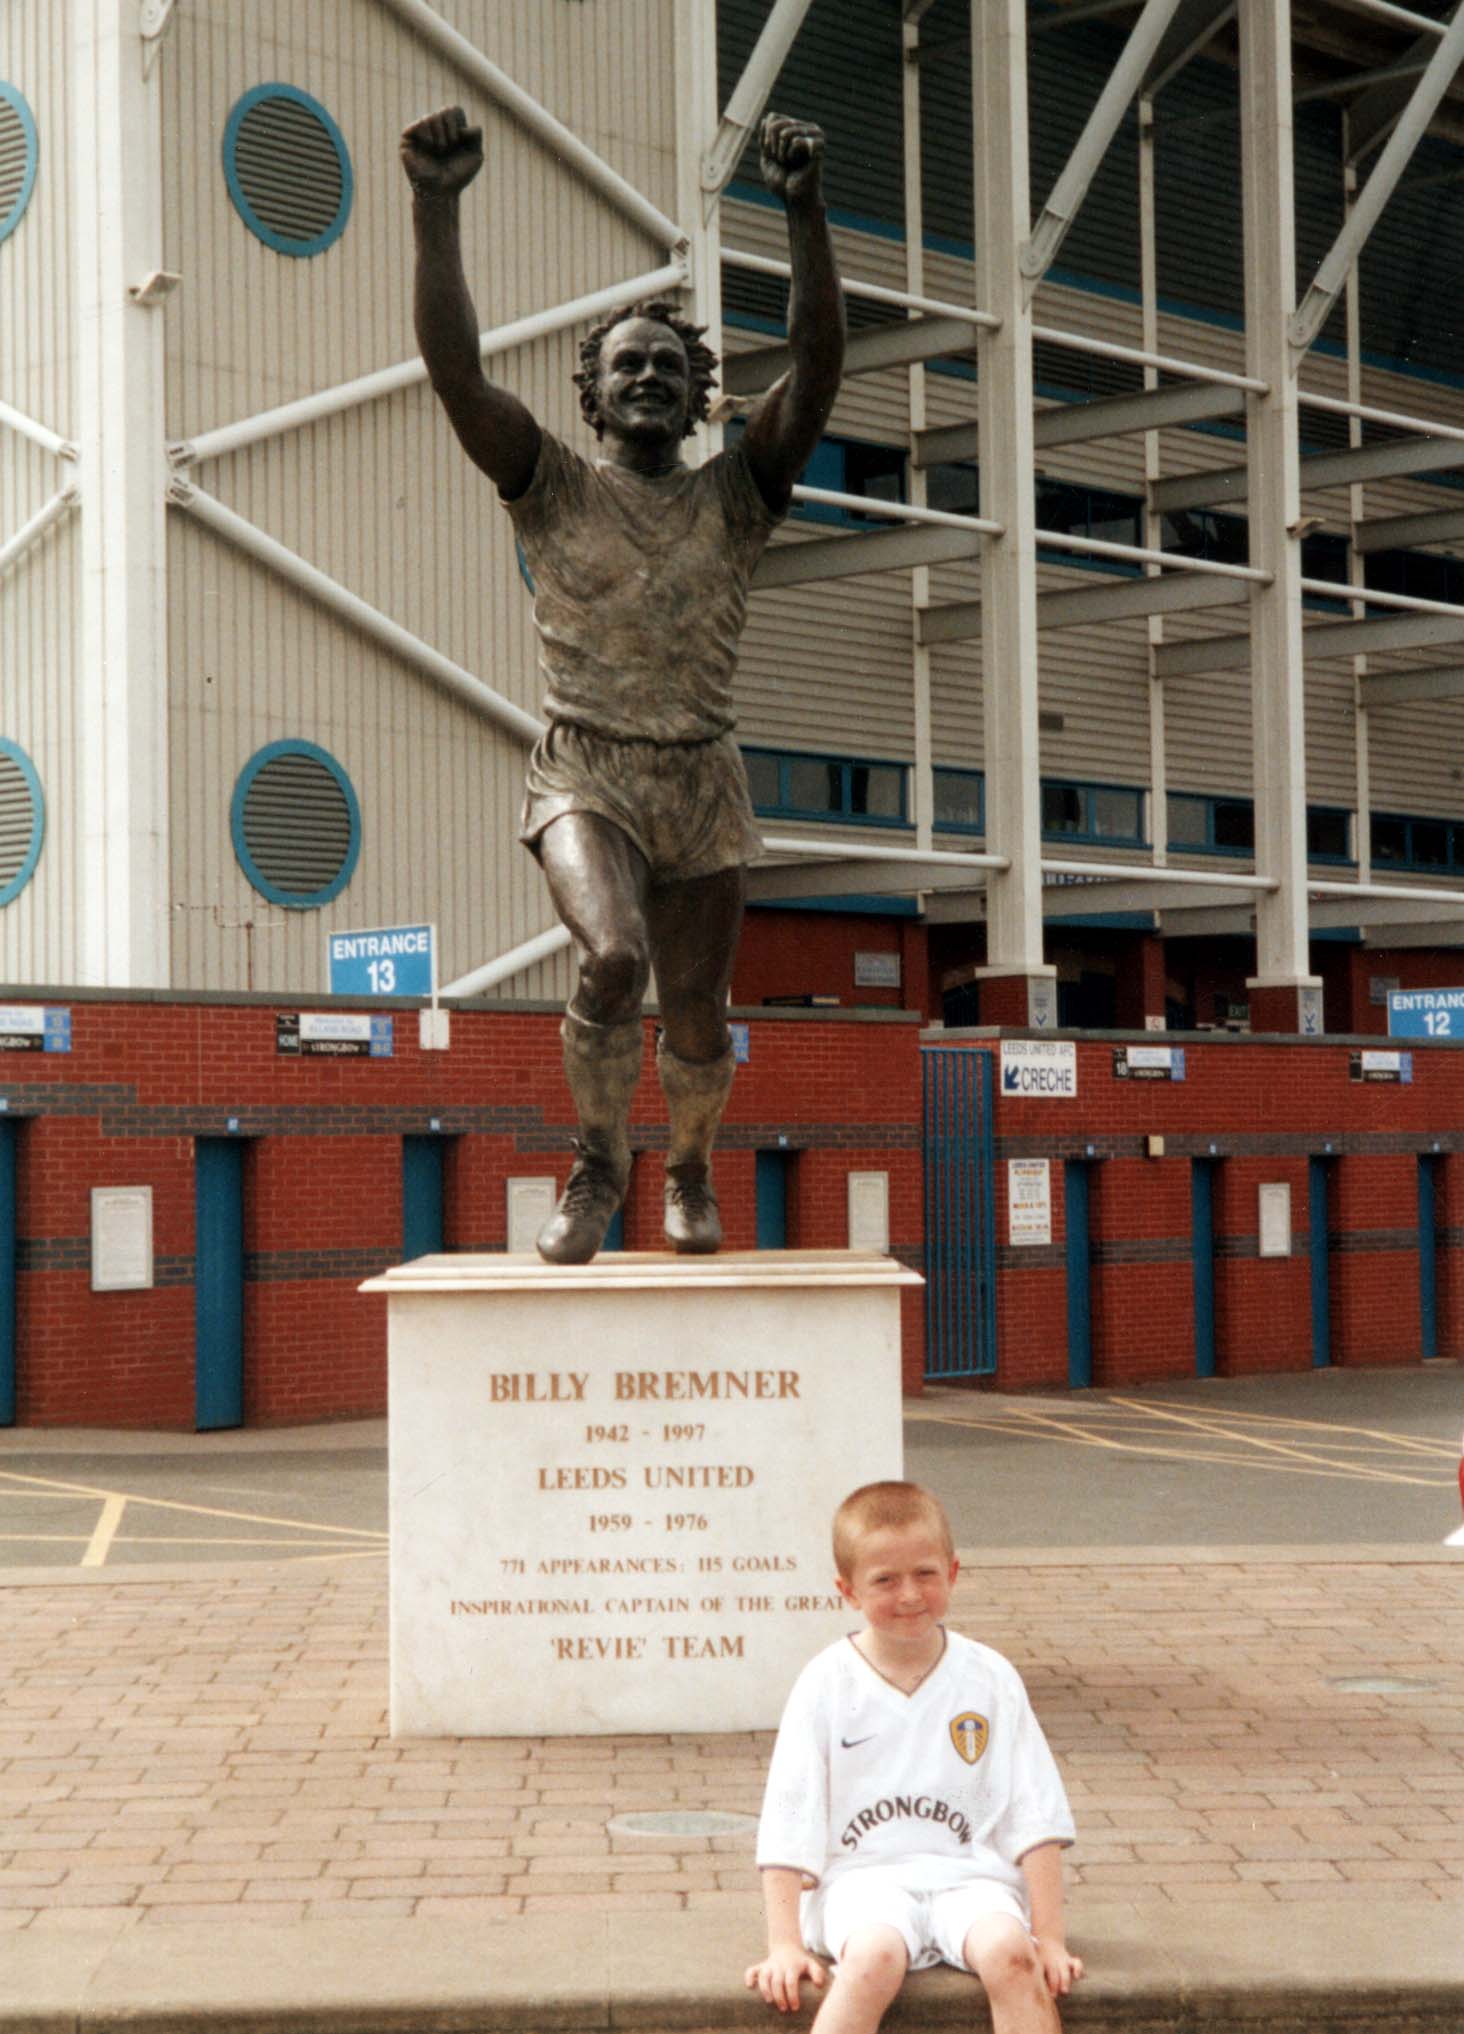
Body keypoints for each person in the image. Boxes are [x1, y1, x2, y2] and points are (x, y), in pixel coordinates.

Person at [400, 105, 844, 1265]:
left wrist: (801, 210)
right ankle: (599, 1166)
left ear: (698, 391)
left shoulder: (739, 490)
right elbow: (454, 376)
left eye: (667, 364)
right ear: (592, 394)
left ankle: (691, 1170)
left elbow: (822, 364)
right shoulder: (547, 481)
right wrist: (436, 208)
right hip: (586, 766)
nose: (646, 375)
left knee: (697, 1016)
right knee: (611, 959)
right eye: (624, 364)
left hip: (702, 778)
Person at [746, 1482, 1084, 2034]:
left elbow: (1034, 1814)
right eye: (885, 1580)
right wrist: (783, 1944)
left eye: (925, 1573)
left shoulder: (990, 1677)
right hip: (863, 1882)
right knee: (874, 1958)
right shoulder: (826, 1684)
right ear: (848, 1590)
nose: (909, 1594)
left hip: (972, 1881)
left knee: (1011, 1956)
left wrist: (1049, 1940)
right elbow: (789, 1815)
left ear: (952, 1573)